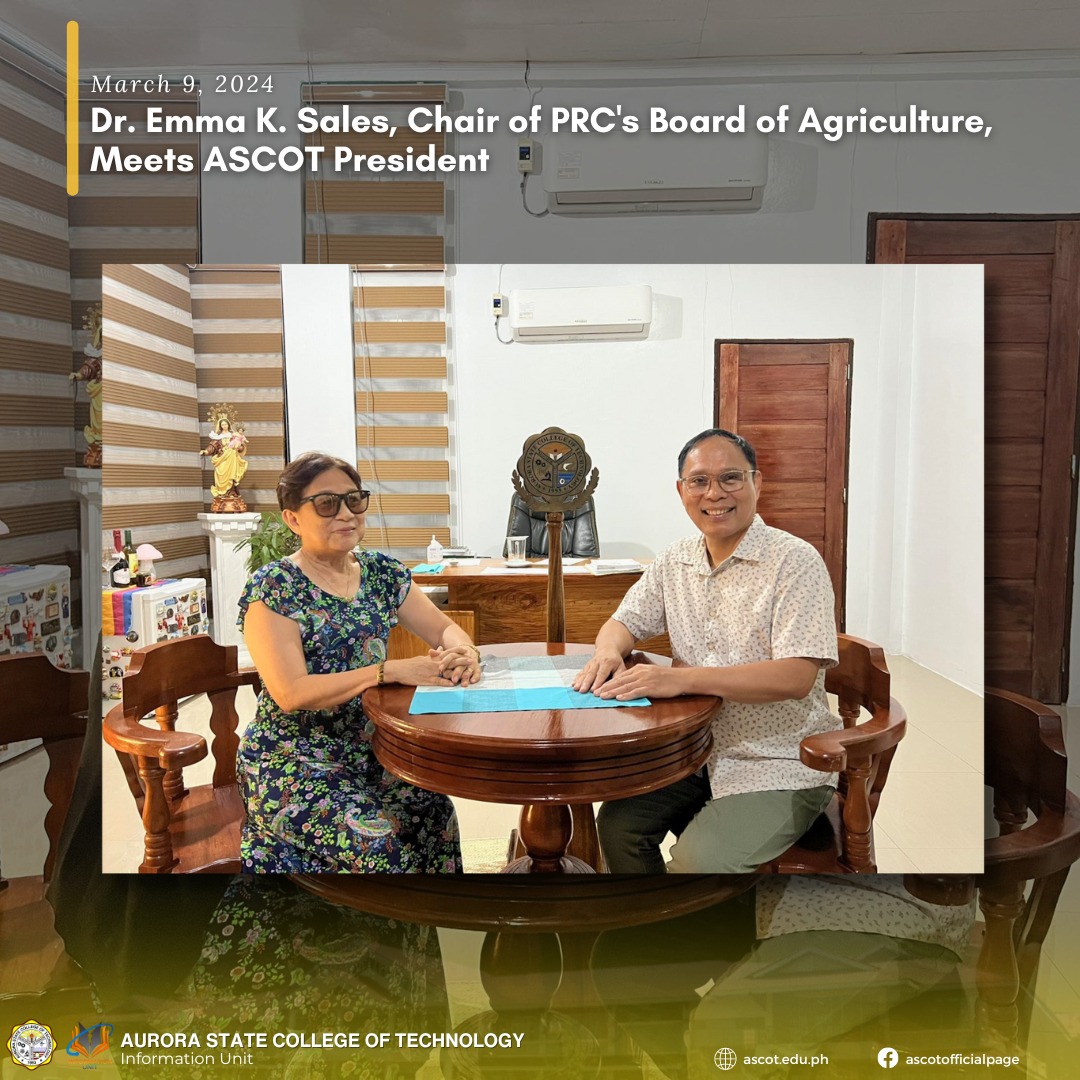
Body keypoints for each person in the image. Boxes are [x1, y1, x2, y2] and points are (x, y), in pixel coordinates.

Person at [572, 428, 839, 873]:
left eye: (730, 478)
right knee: (618, 829)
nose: (714, 494)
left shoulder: (795, 561)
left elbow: (796, 676)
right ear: (681, 491)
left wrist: (680, 679)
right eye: (699, 481)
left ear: (757, 483)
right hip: (695, 751)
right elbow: (624, 621)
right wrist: (608, 651)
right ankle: (643, 918)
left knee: (698, 862)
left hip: (779, 760)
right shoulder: (675, 559)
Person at [237, 451, 482, 873]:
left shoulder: (381, 573)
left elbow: (443, 629)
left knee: (435, 812)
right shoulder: (274, 587)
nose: (346, 513)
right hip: (292, 756)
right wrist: (388, 671)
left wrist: (465, 653)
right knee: (380, 847)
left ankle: (426, 918)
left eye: (354, 500)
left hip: (373, 748)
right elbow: (291, 693)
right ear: (292, 519)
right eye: (326, 504)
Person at [200, 414, 250, 504]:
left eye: (225, 424)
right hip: (222, 458)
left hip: (232, 458)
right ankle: (222, 494)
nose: (224, 426)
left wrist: (239, 447)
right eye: (222, 424)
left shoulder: (232, 435)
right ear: (220, 426)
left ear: (228, 425)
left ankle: (232, 493)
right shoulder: (218, 437)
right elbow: (213, 447)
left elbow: (240, 445)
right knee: (221, 475)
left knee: (232, 476)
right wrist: (206, 451)